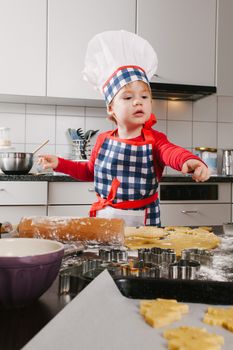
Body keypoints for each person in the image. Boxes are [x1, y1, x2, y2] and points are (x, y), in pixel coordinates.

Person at [38, 30, 210, 227]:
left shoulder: (155, 139)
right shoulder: (103, 140)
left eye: (144, 97)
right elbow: (88, 171)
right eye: (128, 97)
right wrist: (59, 163)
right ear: (111, 107)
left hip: (144, 222)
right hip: (106, 218)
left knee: (140, 259)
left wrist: (189, 160)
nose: (138, 102)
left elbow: (172, 152)